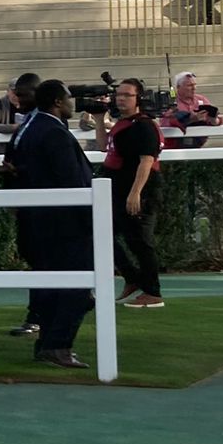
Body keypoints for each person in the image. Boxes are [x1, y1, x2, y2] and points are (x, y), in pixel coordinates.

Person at [3, 80, 94, 369]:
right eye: (68, 97)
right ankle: (58, 345)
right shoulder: (53, 131)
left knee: (56, 288)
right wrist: (89, 218)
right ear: (57, 101)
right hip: (63, 224)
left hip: (38, 221)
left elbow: (15, 169)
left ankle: (49, 345)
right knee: (78, 290)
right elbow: (71, 180)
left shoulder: (29, 129)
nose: (72, 102)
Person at [87, 78, 164, 309]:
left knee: (140, 242)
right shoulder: (123, 124)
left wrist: (135, 193)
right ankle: (132, 278)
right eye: (118, 94)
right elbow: (104, 147)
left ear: (138, 98)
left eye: (127, 95)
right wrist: (100, 120)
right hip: (118, 190)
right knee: (100, 234)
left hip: (139, 191)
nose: (120, 98)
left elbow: (146, 161)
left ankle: (153, 292)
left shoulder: (144, 125)